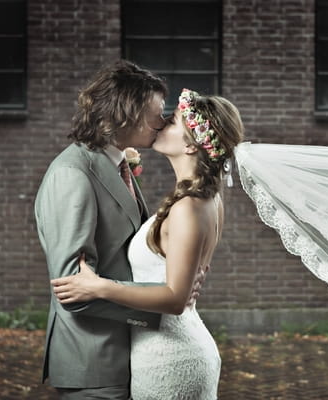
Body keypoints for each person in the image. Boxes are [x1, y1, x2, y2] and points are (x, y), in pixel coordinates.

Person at [50, 88, 245, 399]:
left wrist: (98, 286)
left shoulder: (188, 209)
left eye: (174, 121)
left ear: (192, 146)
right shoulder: (206, 199)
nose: (162, 122)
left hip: (169, 357)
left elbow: (175, 298)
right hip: (167, 348)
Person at [35, 61, 206, 399]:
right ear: (126, 114)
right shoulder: (73, 174)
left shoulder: (115, 163)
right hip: (94, 361)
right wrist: (167, 302)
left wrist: (174, 283)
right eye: (157, 113)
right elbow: (72, 289)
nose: (162, 122)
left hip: (126, 354)